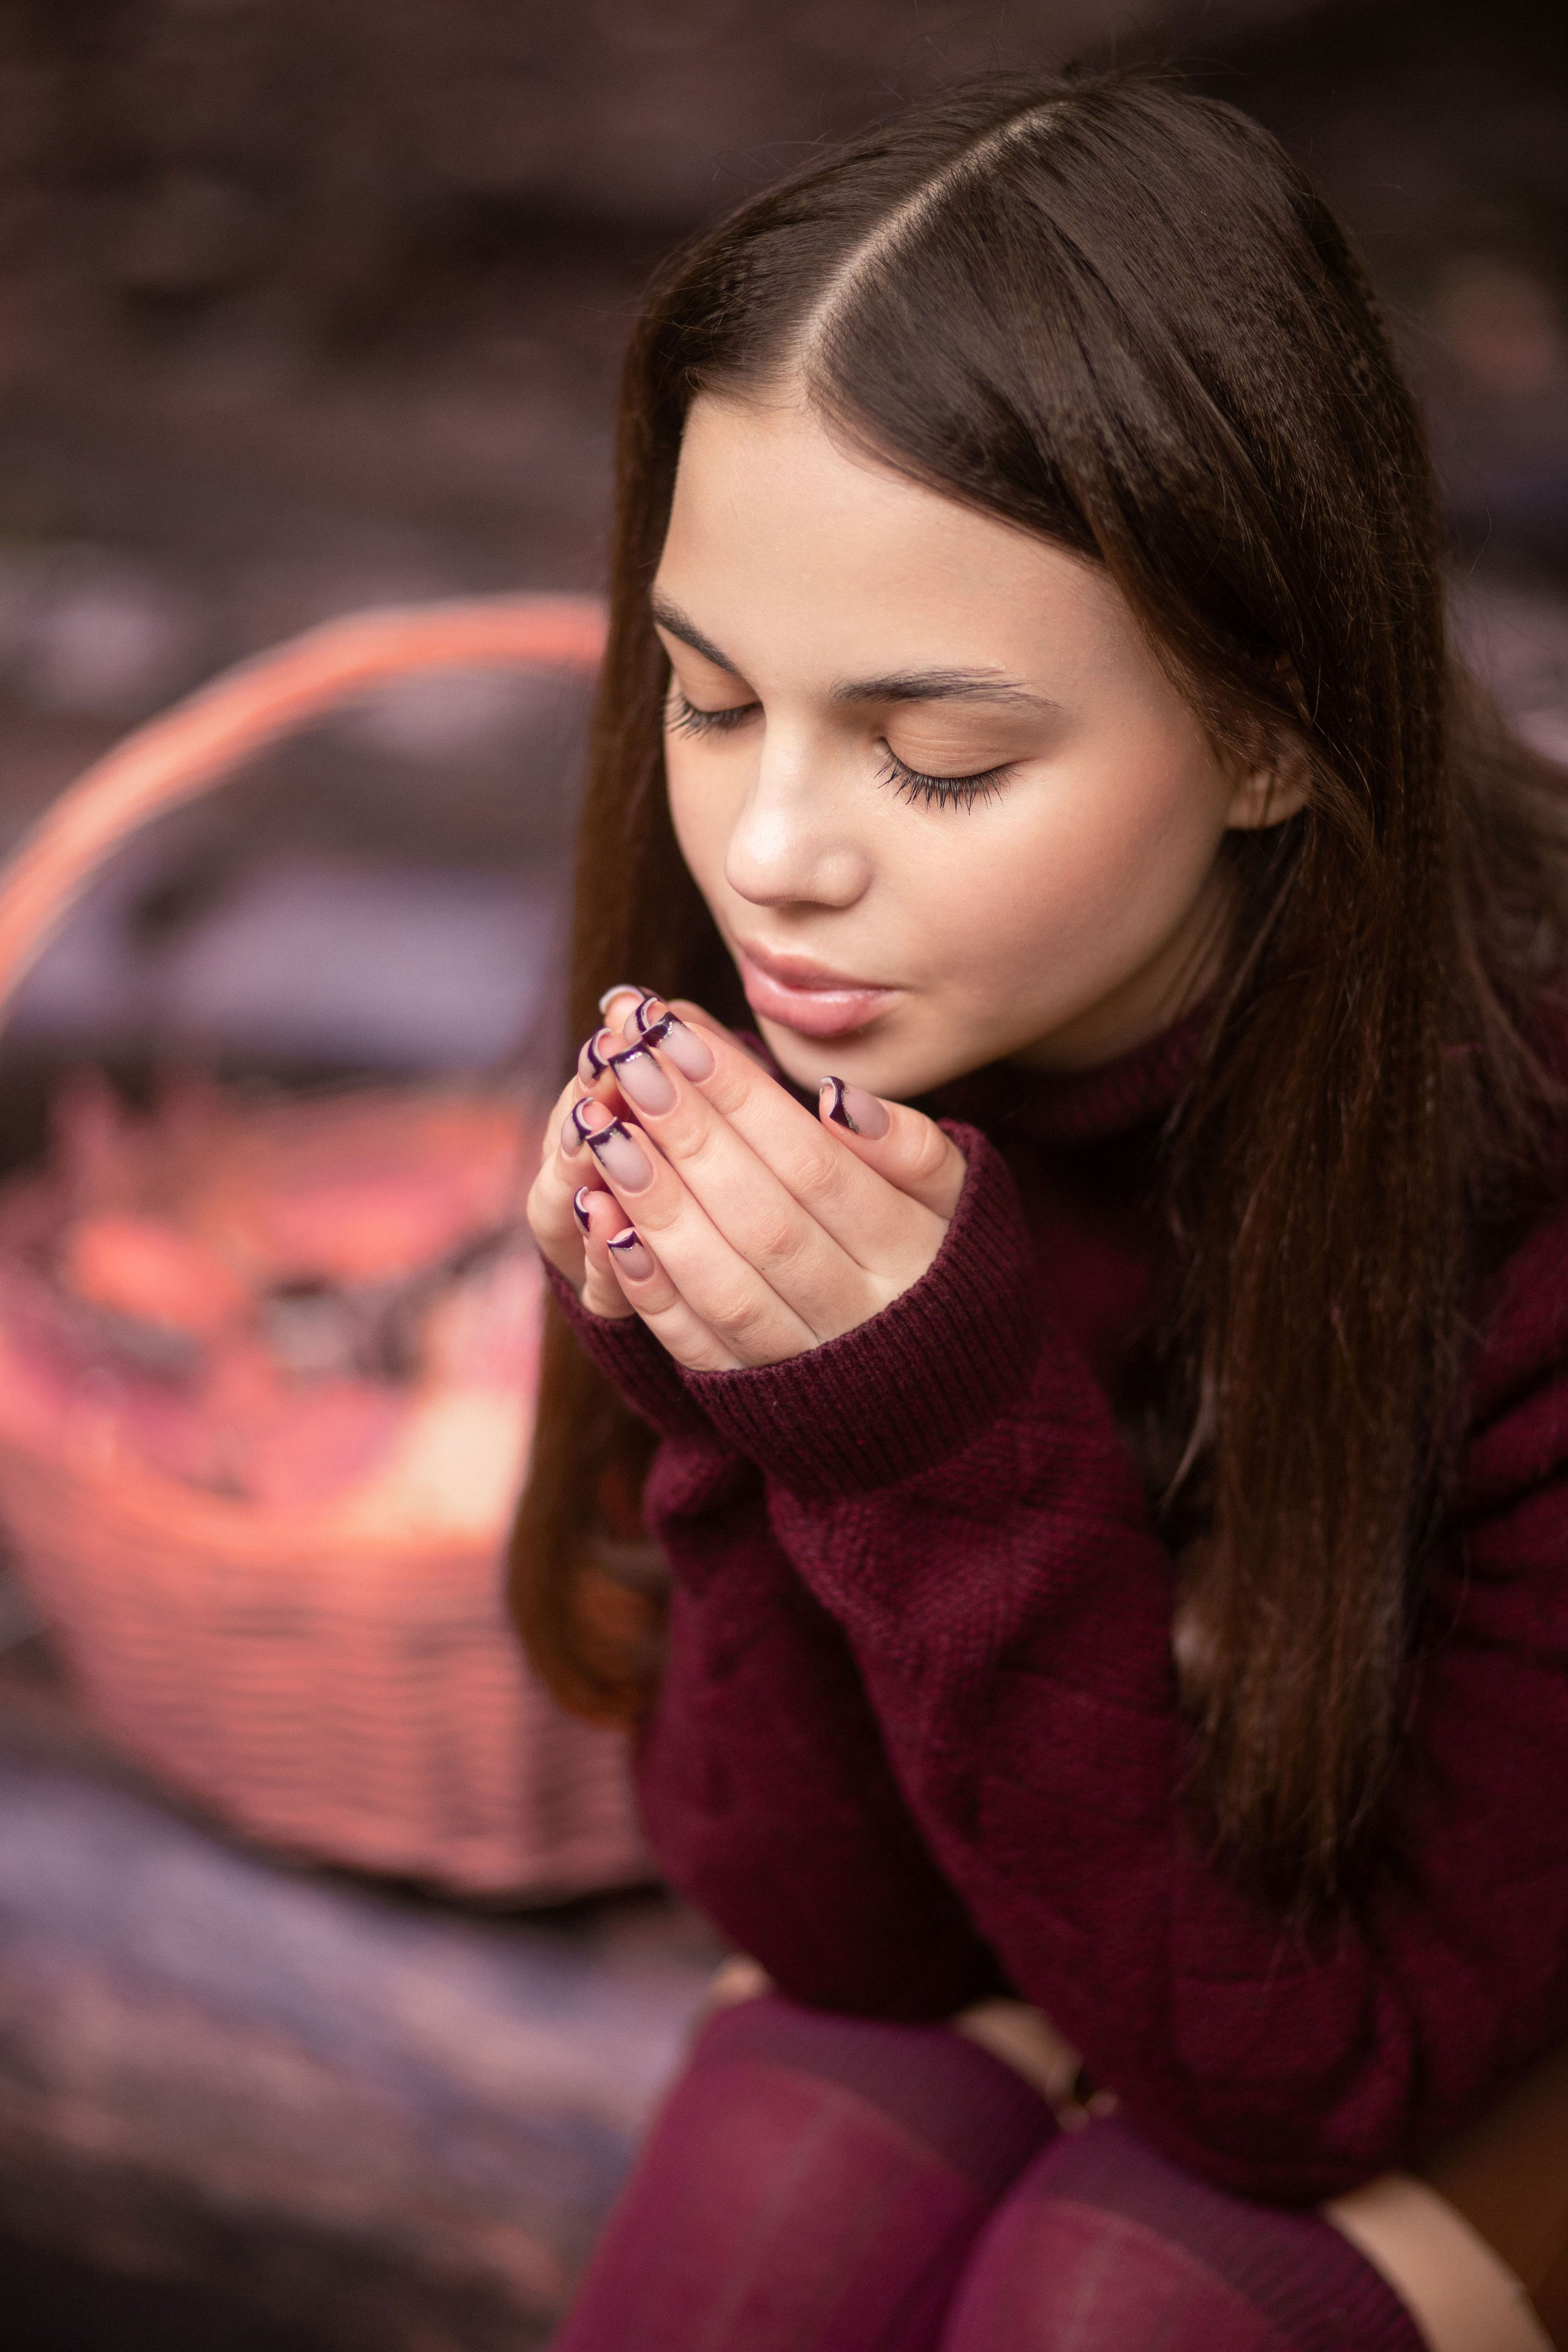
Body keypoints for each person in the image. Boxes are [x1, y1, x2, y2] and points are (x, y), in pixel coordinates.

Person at [511, 67, 1568, 2351]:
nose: (771, 856)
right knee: (790, 2162)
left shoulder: (1524, 1174)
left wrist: (931, 1445)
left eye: (943, 758)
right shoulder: (779, 1038)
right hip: (1140, 1895)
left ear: (1275, 728)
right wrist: (740, 1402)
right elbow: (841, 1941)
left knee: (1125, 2295)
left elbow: (1311, 2077)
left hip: (1464, 1993)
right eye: (710, 701)